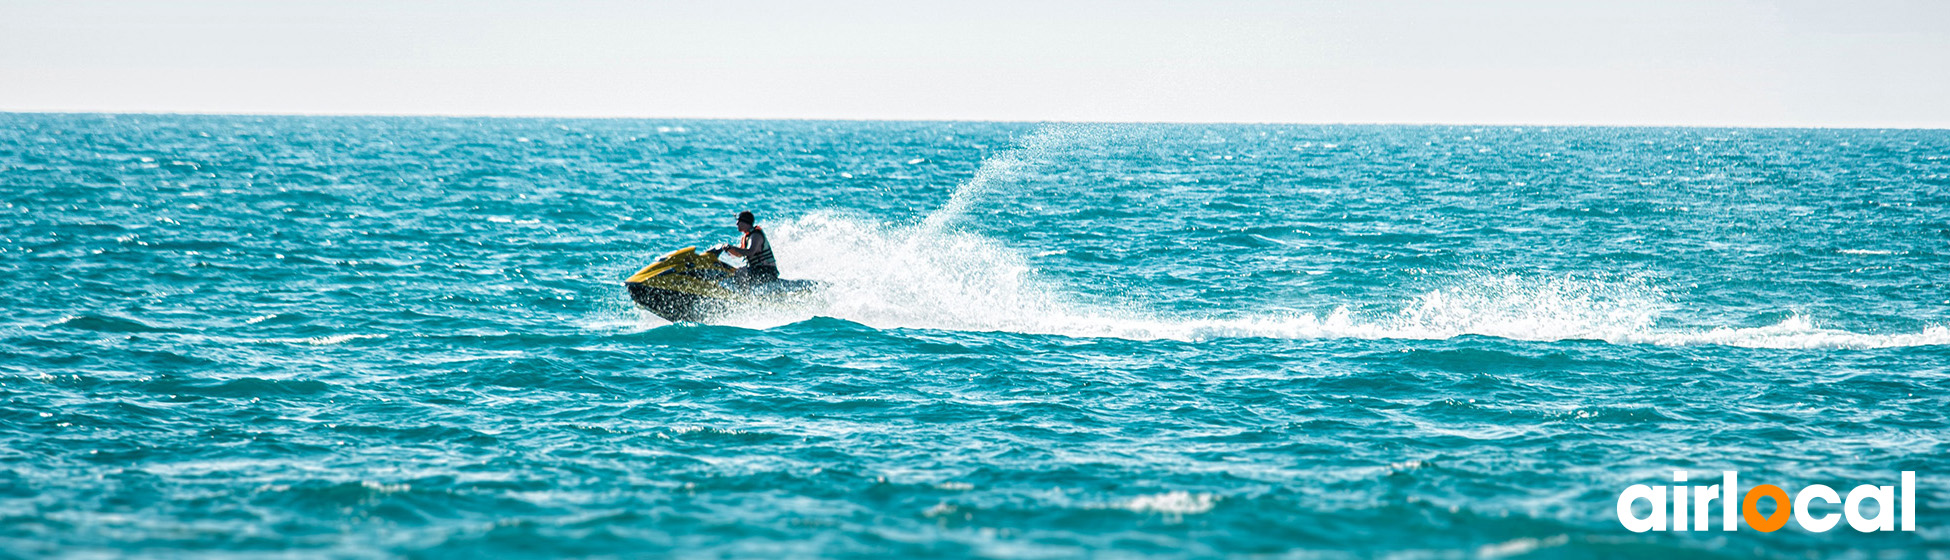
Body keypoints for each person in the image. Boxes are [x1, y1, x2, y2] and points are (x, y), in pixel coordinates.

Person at [714, 210, 778, 287]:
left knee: (740, 272)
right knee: (731, 270)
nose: (736, 223)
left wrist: (732, 247)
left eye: (739, 221)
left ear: (745, 222)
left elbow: (750, 252)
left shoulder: (756, 235)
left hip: (766, 271)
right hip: (757, 270)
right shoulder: (746, 237)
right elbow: (739, 254)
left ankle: (742, 293)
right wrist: (728, 249)